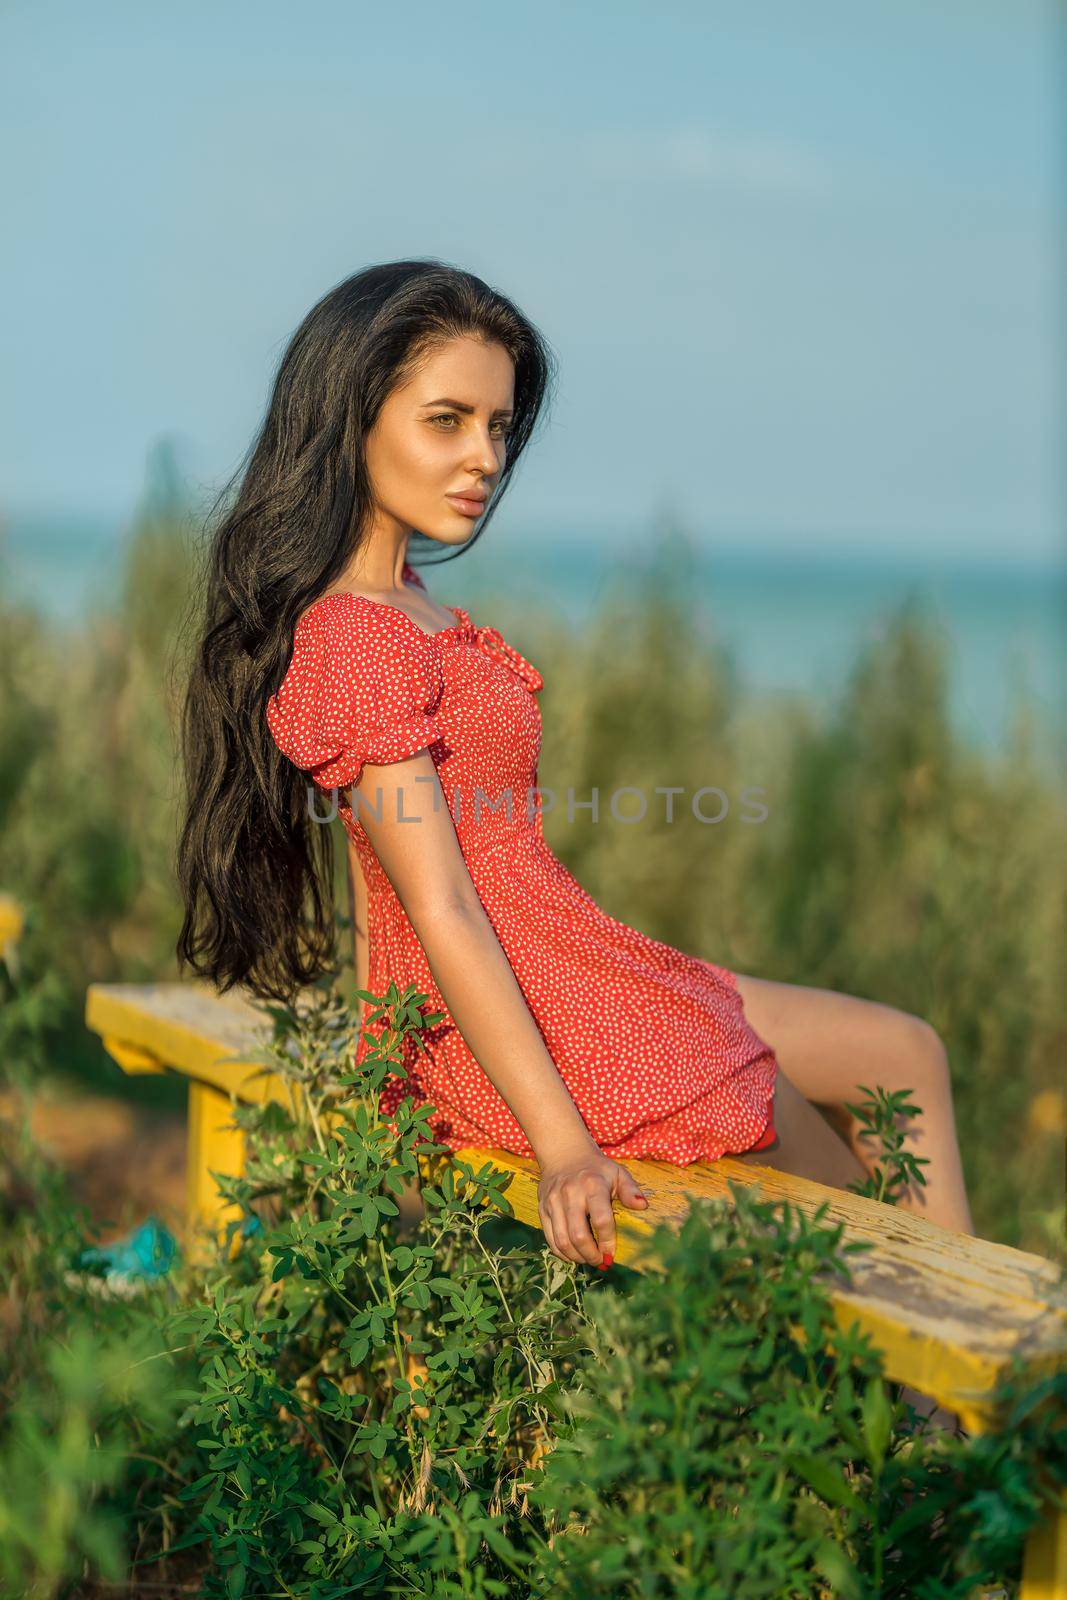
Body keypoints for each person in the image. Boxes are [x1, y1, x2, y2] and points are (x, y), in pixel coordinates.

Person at [176, 259, 974, 1283]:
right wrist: (557, 1144)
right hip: (537, 1006)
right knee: (854, 1239)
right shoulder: (353, 639)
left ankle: (957, 1412)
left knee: (900, 1056)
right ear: (352, 421)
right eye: (447, 420)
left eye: (499, 427)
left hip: (574, 960)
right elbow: (438, 906)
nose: (483, 458)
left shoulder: (403, 598)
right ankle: (940, 1418)